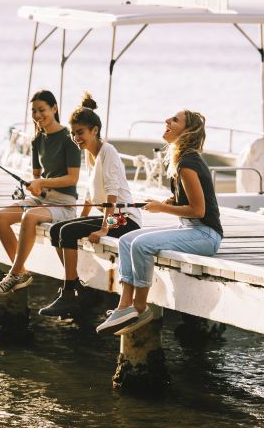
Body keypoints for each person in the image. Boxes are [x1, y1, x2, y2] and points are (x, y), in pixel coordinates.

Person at [96, 110, 224, 335]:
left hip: (206, 234)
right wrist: (169, 201)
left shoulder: (187, 163)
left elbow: (198, 210)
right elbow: (189, 200)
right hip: (190, 228)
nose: (167, 121)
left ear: (187, 131)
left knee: (142, 245)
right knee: (126, 240)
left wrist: (161, 208)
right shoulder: (183, 160)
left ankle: (140, 307)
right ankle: (124, 306)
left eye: (175, 120)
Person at [39, 93, 142, 317]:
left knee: (67, 232)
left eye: (81, 132)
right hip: (113, 216)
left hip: (125, 218)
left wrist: (104, 227)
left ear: (94, 130)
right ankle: (74, 284)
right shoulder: (89, 154)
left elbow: (112, 193)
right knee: (58, 230)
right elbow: (89, 193)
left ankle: (68, 293)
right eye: (74, 133)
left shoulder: (108, 151)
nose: (76, 138)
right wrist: (81, 217)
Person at [0, 90, 81, 295]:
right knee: (1, 218)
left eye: (42, 110)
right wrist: (36, 185)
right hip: (41, 201)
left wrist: (41, 182)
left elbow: (72, 179)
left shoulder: (69, 139)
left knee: (29, 217)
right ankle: (21, 271)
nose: (37, 115)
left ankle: (13, 274)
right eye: (33, 111)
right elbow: (36, 176)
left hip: (64, 204)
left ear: (54, 109)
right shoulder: (36, 140)